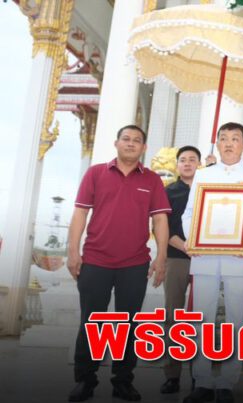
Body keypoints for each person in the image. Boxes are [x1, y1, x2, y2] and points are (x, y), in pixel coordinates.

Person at [67, 125, 171, 402]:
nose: (131, 143)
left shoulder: (151, 180)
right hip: (96, 260)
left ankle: (123, 381)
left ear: (144, 148)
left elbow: (160, 220)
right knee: (92, 322)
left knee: (128, 324)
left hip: (135, 263)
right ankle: (85, 380)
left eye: (137, 141)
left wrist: (161, 257)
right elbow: (80, 213)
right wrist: (73, 251)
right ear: (116, 143)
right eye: (126, 139)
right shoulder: (96, 173)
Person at [181, 122, 243, 403]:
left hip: (238, 257)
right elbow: (189, 213)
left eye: (235, 139)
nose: (229, 143)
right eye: (224, 139)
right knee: (202, 318)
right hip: (205, 257)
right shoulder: (203, 174)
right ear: (217, 144)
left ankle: (227, 382)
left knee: (236, 318)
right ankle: (203, 380)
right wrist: (191, 238)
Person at [161, 145, 203, 394]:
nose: (187, 163)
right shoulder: (168, 192)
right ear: (177, 165)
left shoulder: (207, 188)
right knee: (173, 316)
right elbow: (162, 226)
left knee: (200, 316)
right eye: (183, 160)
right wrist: (185, 247)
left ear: (199, 164)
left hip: (204, 260)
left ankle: (199, 375)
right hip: (177, 258)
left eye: (192, 160)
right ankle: (172, 375)